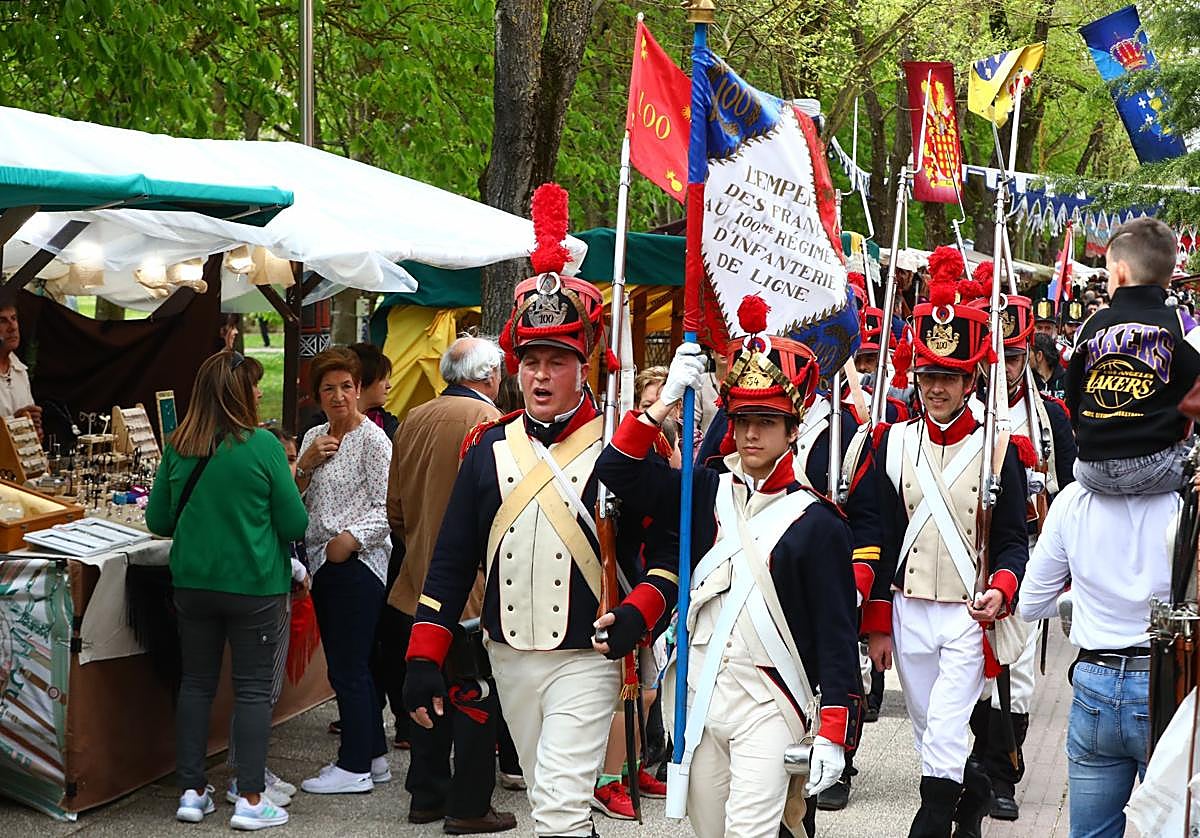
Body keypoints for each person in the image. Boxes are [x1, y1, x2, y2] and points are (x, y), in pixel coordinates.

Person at [402, 181, 680, 838]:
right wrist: (422, 657)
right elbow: (452, 559)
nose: (541, 374)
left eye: (558, 358)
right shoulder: (486, 445)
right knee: (562, 806)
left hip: (588, 655)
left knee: (553, 809)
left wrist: (642, 610)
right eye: (531, 360)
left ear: (585, 364)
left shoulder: (626, 445)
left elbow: (673, 548)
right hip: (507, 653)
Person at [595, 306, 862, 838]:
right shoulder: (704, 490)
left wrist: (835, 732)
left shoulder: (818, 524)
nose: (750, 434)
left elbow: (836, 638)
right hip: (700, 691)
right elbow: (617, 472)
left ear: (792, 427)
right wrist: (663, 403)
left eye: (766, 421)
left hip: (771, 696)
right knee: (710, 829)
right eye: (742, 420)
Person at [865, 247, 1029, 838]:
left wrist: (1004, 588)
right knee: (926, 727)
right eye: (928, 376)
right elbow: (880, 537)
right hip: (908, 606)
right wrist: (878, 620)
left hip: (964, 611)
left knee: (946, 728)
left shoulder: (998, 449)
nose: (936, 388)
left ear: (968, 379)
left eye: (948, 377)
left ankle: (933, 821)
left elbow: (1012, 540)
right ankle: (975, 792)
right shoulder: (892, 443)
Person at [145, 350, 307, 831]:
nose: (260, 393)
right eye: (254, 386)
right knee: (253, 691)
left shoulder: (178, 445)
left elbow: (157, 520)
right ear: (237, 394)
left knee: (195, 685)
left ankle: (192, 792)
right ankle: (251, 798)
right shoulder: (262, 446)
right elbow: (294, 520)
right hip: (254, 585)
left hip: (192, 583)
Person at [385, 336, 515, 833]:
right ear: (490, 377)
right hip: (472, 589)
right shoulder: (489, 425)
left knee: (426, 695)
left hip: (415, 582)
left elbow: (395, 508)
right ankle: (468, 805)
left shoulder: (413, 418)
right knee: (475, 696)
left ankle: (427, 795)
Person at [964, 279, 1076, 825]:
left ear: (1027, 353)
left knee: (1018, 670)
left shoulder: (1051, 417)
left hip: (1030, 549)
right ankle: (980, 768)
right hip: (967, 551)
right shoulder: (968, 416)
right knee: (973, 672)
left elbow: (1072, 491)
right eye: (997, 356)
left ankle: (1006, 769)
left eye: (1013, 356)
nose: (1005, 367)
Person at [1017, 483, 1175, 838]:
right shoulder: (1181, 499)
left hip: (1095, 679)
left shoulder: (1073, 499)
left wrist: (1085, 603)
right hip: (1165, 680)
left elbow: (1030, 604)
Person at [296, 347, 394, 795]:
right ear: (318, 396)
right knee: (354, 665)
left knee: (348, 667)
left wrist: (348, 541)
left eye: (346, 387)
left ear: (359, 390)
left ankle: (352, 765)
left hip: (355, 565)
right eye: (328, 389)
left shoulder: (374, 441)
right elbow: (295, 498)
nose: (339, 396)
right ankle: (373, 756)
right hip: (321, 562)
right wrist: (307, 464)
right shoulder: (314, 437)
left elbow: (387, 507)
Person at [1066, 218, 1200, 496]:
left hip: (1090, 469)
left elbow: (1072, 394)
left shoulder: (1091, 325)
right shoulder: (1184, 326)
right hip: (1157, 469)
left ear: (1121, 272)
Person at [223, 427, 310, 809]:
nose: (289, 468)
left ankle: (253, 767)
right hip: (264, 594)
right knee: (259, 688)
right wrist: (296, 570)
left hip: (273, 594)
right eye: (284, 460)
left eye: (293, 460)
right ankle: (244, 772)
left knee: (266, 688)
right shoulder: (266, 496)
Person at [0, 290, 42, 439]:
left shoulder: (20, 371)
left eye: (14, 318)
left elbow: (32, 437)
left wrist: (34, 430)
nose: (12, 327)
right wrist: (15, 425)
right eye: (2, 321)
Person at [1029, 333, 1066, 402]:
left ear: (1039, 355)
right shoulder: (1027, 381)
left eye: (1028, 352)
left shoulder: (1066, 380)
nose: (1025, 357)